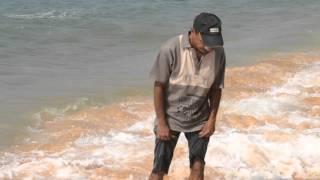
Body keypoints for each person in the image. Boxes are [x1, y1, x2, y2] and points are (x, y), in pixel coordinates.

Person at [148, 12, 226, 180]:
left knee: (198, 168)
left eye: (214, 42)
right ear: (194, 32)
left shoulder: (218, 53)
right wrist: (161, 122)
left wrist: (212, 120)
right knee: (159, 170)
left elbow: (216, 89)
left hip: (200, 119)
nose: (210, 47)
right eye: (206, 42)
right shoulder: (170, 49)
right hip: (170, 118)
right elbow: (159, 86)